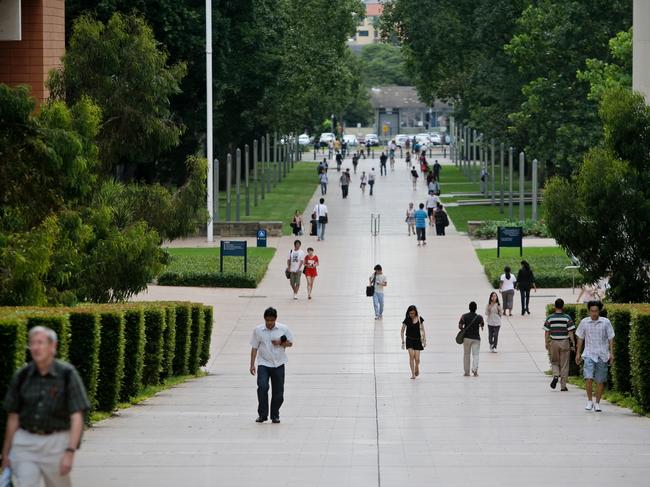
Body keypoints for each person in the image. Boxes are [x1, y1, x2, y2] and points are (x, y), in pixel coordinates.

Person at [2, 326, 90, 487]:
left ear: (52, 346)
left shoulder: (67, 374)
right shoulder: (22, 376)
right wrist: (6, 452)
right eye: (32, 343)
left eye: (40, 343)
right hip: (25, 443)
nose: (35, 347)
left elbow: (77, 415)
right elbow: (13, 416)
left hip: (56, 444)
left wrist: (70, 452)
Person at [250, 307, 294, 423]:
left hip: (279, 363)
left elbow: (290, 343)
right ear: (264, 319)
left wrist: (281, 342)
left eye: (271, 320)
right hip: (263, 363)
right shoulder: (258, 330)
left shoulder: (283, 329)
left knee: (278, 392)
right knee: (262, 387)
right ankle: (263, 414)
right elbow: (254, 347)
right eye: (267, 320)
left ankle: (275, 415)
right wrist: (252, 364)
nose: (269, 323)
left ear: (275, 319)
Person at [575, 301, 614, 412]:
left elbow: (611, 337)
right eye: (592, 311)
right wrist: (578, 353)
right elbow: (580, 338)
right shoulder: (584, 322)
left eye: (596, 311)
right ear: (589, 311)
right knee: (588, 377)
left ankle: (597, 402)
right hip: (589, 353)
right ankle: (589, 400)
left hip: (602, 354)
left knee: (600, 380)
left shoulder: (606, 322)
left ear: (599, 311)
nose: (594, 313)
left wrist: (611, 353)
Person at [544, 298, 576, 392]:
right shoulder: (567, 317)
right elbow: (570, 332)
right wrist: (573, 343)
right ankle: (563, 386)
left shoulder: (550, 318)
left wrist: (546, 342)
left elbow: (547, 332)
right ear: (563, 307)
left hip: (554, 342)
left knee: (554, 362)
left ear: (554, 307)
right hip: (565, 342)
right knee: (564, 364)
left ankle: (555, 375)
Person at [459, 301, 485, 376]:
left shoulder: (464, 316)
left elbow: (460, 326)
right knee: (476, 355)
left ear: (469, 308)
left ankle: (467, 372)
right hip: (476, 338)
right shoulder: (479, 317)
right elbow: (482, 324)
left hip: (466, 338)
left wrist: (463, 329)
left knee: (466, 355)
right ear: (476, 308)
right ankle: (475, 370)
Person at [401, 305, 427, 379]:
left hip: (418, 340)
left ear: (415, 312)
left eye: (413, 313)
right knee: (411, 356)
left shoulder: (419, 319)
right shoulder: (407, 319)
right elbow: (402, 331)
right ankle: (412, 374)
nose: (411, 315)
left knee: (417, 358)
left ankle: (417, 366)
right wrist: (403, 341)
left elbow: (423, 330)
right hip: (409, 339)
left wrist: (424, 340)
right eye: (410, 313)